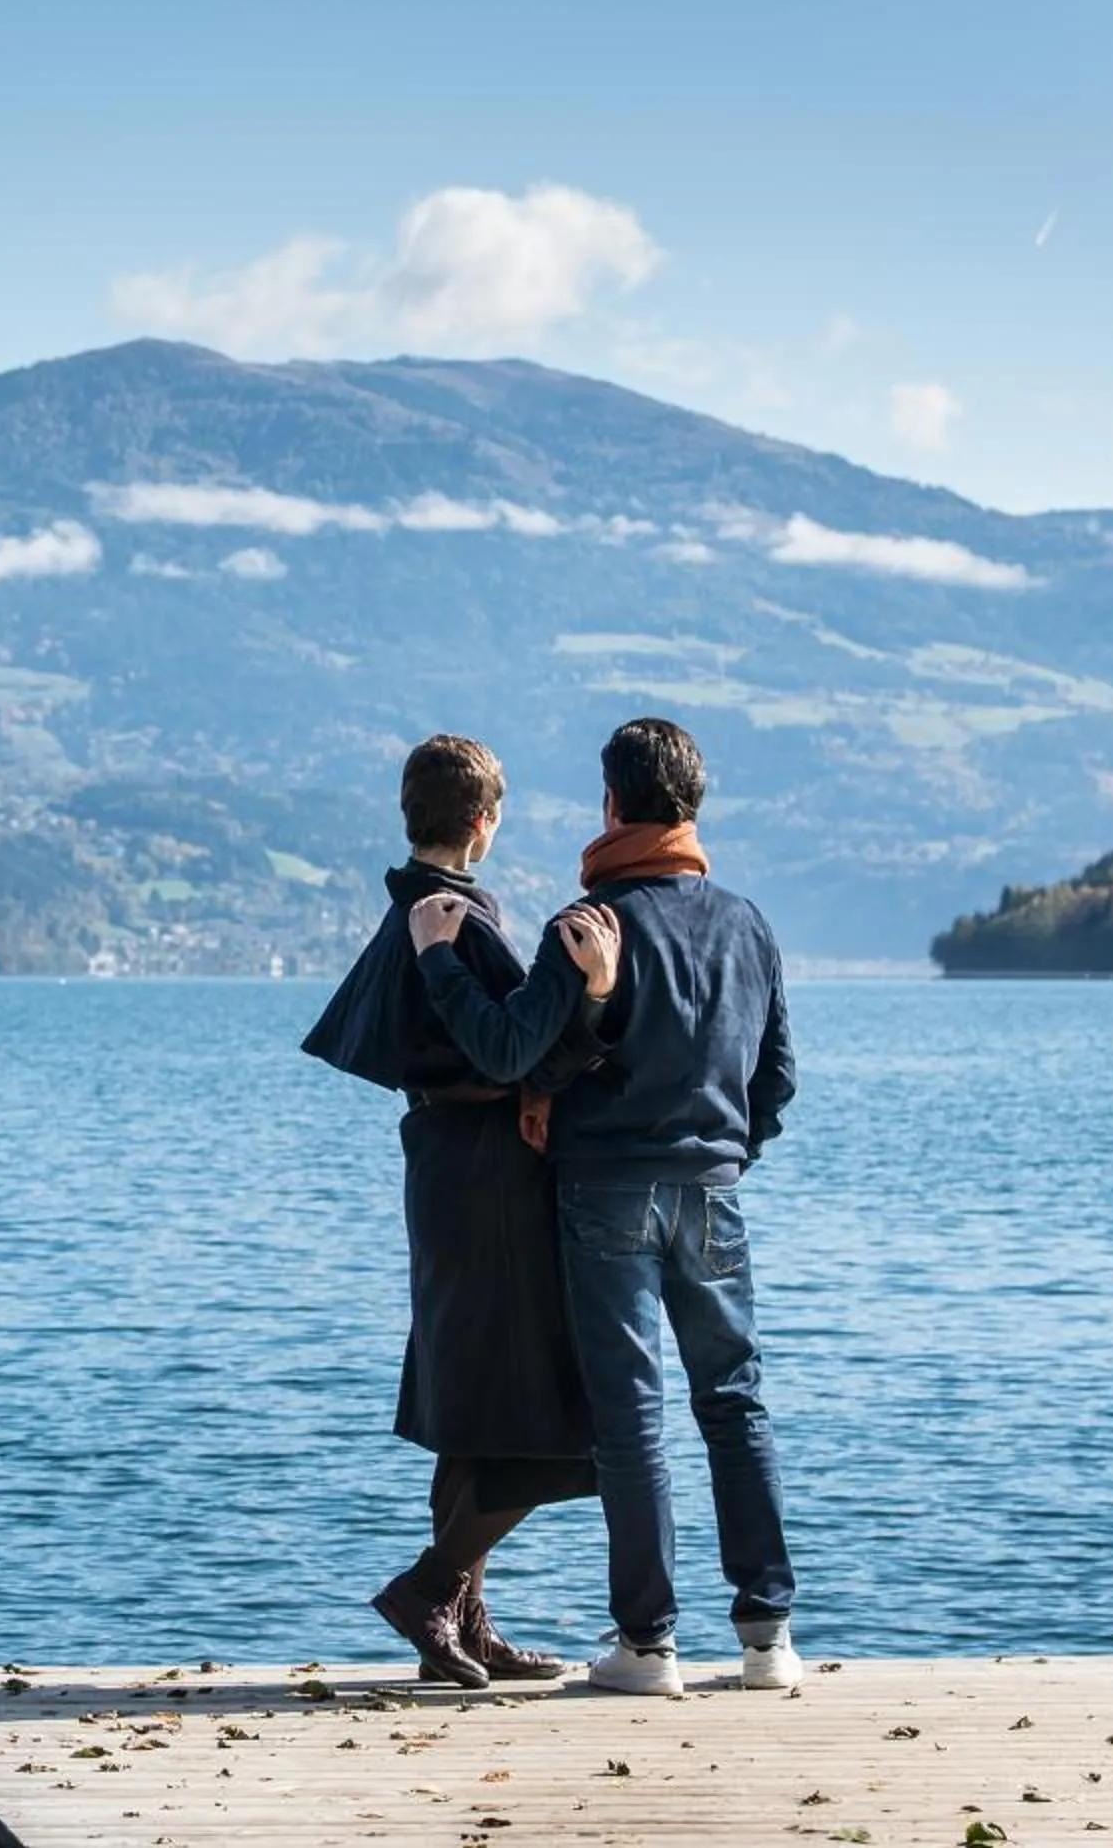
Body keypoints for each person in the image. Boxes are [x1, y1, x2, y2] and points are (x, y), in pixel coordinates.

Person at [412, 717, 800, 1697]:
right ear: (694, 807)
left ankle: (648, 1646)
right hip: (713, 1192)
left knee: (632, 1418)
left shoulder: (587, 926)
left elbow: (520, 1056)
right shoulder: (748, 924)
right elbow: (777, 1082)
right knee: (735, 1402)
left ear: (612, 806)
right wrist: (724, 1151)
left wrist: (458, 972)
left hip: (607, 1191)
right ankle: (767, 1639)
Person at [302, 734, 622, 1688]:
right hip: (488, 1178)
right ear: (486, 822)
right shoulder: (452, 922)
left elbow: (498, 1054)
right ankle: (432, 1588)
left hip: (445, 1165)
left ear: (414, 814)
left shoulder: (409, 913)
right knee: (536, 1406)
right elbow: (513, 1051)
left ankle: (468, 1624)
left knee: (475, 1406)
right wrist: (591, 1001)